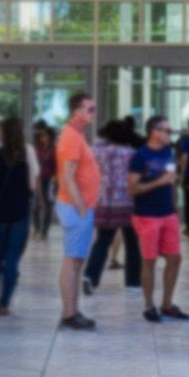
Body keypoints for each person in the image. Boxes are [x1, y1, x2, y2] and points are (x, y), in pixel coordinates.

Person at [127, 115, 189, 323]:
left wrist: (174, 206)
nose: (170, 134)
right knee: (149, 260)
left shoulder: (168, 153)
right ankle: (149, 306)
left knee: (175, 258)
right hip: (146, 215)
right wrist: (159, 182)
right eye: (167, 130)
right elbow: (132, 188)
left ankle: (167, 304)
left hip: (168, 213)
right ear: (154, 132)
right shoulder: (140, 156)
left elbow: (170, 182)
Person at [0, 117, 37, 316]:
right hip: (19, 212)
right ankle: (4, 303)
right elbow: (32, 185)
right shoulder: (26, 153)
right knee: (12, 258)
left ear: (3, 132)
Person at [55, 93, 100, 330]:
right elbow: (67, 176)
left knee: (76, 261)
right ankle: (69, 314)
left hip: (80, 207)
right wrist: (81, 205)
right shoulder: (71, 137)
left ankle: (73, 311)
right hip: (75, 207)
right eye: (90, 109)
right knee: (72, 261)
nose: (93, 113)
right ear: (76, 111)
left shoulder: (77, 134)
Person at [83, 120, 141, 292]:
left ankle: (90, 276)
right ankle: (133, 282)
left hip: (105, 203)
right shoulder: (132, 154)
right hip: (129, 203)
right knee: (132, 243)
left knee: (102, 241)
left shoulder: (98, 152)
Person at [32, 126, 56, 240]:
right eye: (42, 136)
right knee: (36, 205)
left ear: (50, 137)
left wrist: (55, 179)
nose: (44, 138)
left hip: (49, 180)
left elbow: (58, 165)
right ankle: (37, 229)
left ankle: (44, 231)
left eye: (46, 136)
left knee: (48, 206)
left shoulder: (55, 149)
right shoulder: (37, 149)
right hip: (38, 179)